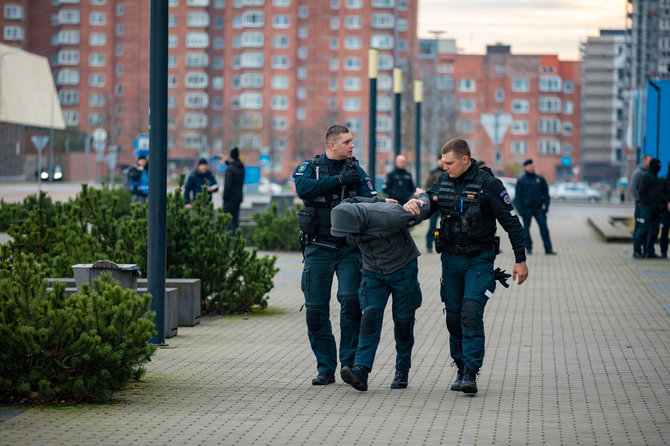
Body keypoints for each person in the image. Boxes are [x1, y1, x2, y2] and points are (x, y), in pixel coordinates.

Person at [403, 138, 528, 395]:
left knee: (470, 313)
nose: (444, 167)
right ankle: (460, 366)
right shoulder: (443, 181)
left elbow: (512, 223)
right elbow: (426, 207)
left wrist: (520, 259)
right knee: (453, 316)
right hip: (450, 260)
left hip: (479, 259)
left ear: (465, 159)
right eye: (442, 162)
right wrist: (409, 205)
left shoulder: (489, 185)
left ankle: (471, 371)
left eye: (449, 163)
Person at [293, 124, 377, 386]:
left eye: (352, 141)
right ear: (331, 144)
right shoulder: (311, 167)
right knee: (315, 311)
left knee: (351, 303)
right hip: (318, 246)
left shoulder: (356, 170)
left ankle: (349, 365)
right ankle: (325, 368)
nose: (352, 146)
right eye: (347, 142)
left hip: (349, 249)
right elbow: (303, 189)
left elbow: (371, 200)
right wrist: (338, 182)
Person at [330, 192, 430, 391]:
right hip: (372, 272)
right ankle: (361, 371)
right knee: (369, 318)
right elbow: (351, 200)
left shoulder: (389, 215)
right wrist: (378, 199)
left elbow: (421, 210)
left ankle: (402, 371)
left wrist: (422, 196)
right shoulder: (345, 211)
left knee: (403, 322)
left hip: (402, 268)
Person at [514, 159, 556, 255]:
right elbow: (517, 197)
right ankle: (528, 248)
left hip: (538, 209)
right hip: (526, 209)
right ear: (525, 167)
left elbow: (546, 193)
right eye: (529, 166)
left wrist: (546, 206)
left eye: (532, 165)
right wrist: (520, 210)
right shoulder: (521, 180)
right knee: (526, 230)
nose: (531, 167)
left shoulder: (540, 179)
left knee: (544, 228)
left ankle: (548, 249)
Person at [634, 158, 664, 258]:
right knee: (642, 229)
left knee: (654, 230)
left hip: (656, 209)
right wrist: (645, 203)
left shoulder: (656, 178)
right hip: (647, 208)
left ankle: (649, 251)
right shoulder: (645, 177)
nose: (660, 167)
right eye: (658, 165)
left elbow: (659, 194)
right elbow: (641, 191)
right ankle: (637, 251)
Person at [631, 155, 652, 257]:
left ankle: (644, 250)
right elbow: (633, 188)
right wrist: (638, 200)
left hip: (647, 204)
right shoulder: (638, 172)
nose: (651, 162)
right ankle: (636, 250)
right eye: (649, 160)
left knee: (645, 228)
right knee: (639, 227)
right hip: (641, 204)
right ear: (644, 160)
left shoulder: (649, 173)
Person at [425, 155, 444, 252]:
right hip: (434, 203)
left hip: (445, 203)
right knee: (432, 225)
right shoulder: (433, 173)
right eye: (440, 160)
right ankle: (429, 245)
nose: (441, 162)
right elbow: (428, 186)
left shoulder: (449, 173)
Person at [223, 147, 245, 232]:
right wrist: (226, 162)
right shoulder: (241, 168)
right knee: (235, 221)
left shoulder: (229, 170)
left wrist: (224, 197)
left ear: (231, 156)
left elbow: (227, 186)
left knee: (227, 221)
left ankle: (229, 240)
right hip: (238, 198)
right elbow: (234, 166)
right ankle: (236, 240)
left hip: (229, 199)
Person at [660, 162, 670, 258]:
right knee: (665, 231)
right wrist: (667, 202)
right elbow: (661, 194)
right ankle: (663, 252)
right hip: (666, 210)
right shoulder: (664, 179)